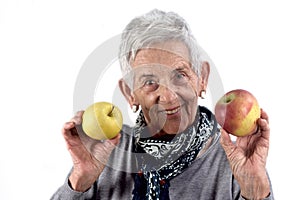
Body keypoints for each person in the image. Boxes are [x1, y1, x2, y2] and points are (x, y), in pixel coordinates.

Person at [51, 9, 274, 200]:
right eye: (149, 82)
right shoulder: (105, 154)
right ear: (130, 93)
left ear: (202, 78)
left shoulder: (234, 162)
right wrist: (81, 178)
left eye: (180, 75)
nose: (168, 97)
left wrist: (255, 187)